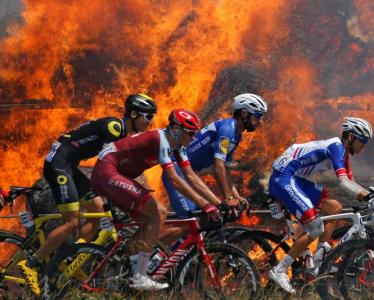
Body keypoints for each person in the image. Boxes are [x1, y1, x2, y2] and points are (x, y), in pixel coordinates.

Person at [17, 93, 157, 296]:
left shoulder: (120, 132)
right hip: (59, 164)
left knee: (98, 211)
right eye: (148, 117)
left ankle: (71, 259)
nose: (150, 122)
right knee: (72, 222)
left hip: (70, 165)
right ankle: (31, 263)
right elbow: (107, 164)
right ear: (134, 114)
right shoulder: (115, 128)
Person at [91, 108, 220, 290]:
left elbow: (190, 176)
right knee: (158, 212)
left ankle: (123, 265)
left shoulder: (177, 146)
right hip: (107, 172)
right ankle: (139, 276)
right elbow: (175, 179)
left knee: (148, 222)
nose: (193, 137)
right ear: (176, 129)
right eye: (190, 133)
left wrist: (217, 203)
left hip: (117, 173)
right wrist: (205, 205)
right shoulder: (161, 140)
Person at [267, 117, 374, 293]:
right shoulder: (336, 146)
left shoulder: (343, 154)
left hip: (297, 179)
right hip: (283, 177)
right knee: (315, 227)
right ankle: (279, 270)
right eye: (363, 142)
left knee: (334, 207)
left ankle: (319, 258)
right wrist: (371, 199)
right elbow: (343, 183)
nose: (363, 147)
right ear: (351, 137)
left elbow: (351, 183)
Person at [161, 93, 268, 222]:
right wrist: (228, 199)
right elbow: (218, 167)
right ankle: (150, 242)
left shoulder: (236, 134)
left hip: (190, 174)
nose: (261, 122)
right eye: (258, 117)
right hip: (177, 171)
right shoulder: (228, 129)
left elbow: (225, 170)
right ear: (245, 114)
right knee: (189, 221)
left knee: (203, 218)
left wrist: (236, 196)